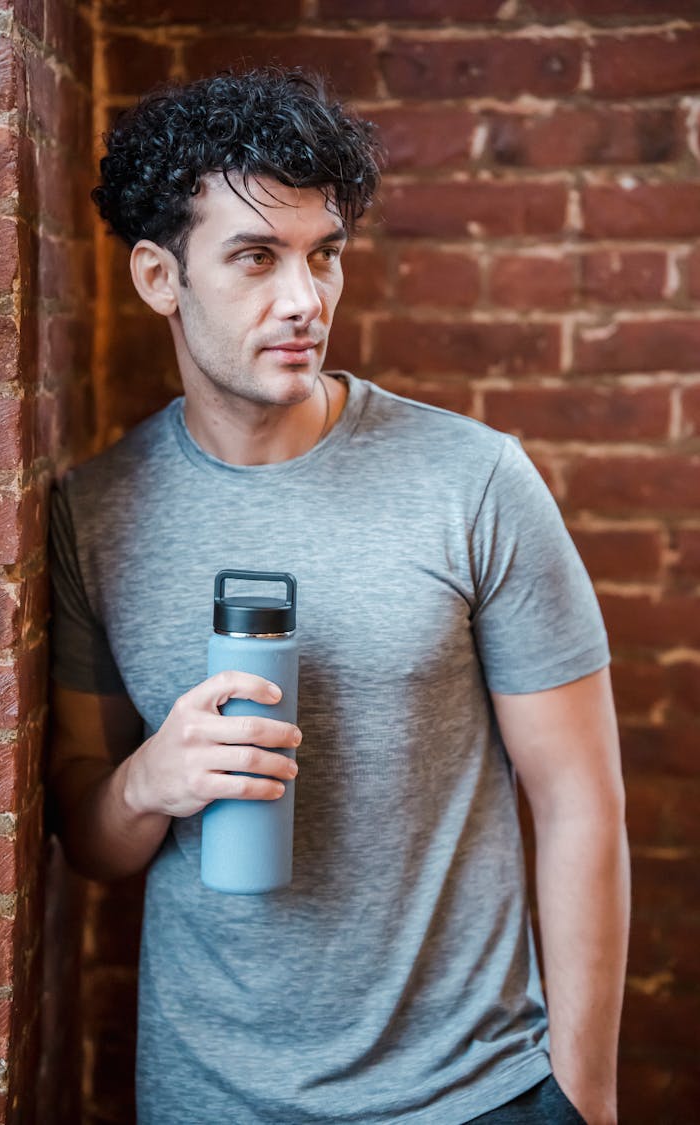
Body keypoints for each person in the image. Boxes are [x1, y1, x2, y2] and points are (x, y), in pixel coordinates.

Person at [48, 68, 629, 1125]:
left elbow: (580, 798)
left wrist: (584, 1100)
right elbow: (88, 841)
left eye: (325, 257)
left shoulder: (476, 482)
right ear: (157, 278)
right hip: (210, 1099)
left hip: (473, 1095)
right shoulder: (94, 516)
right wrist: (147, 782)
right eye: (256, 258)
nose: (304, 301)